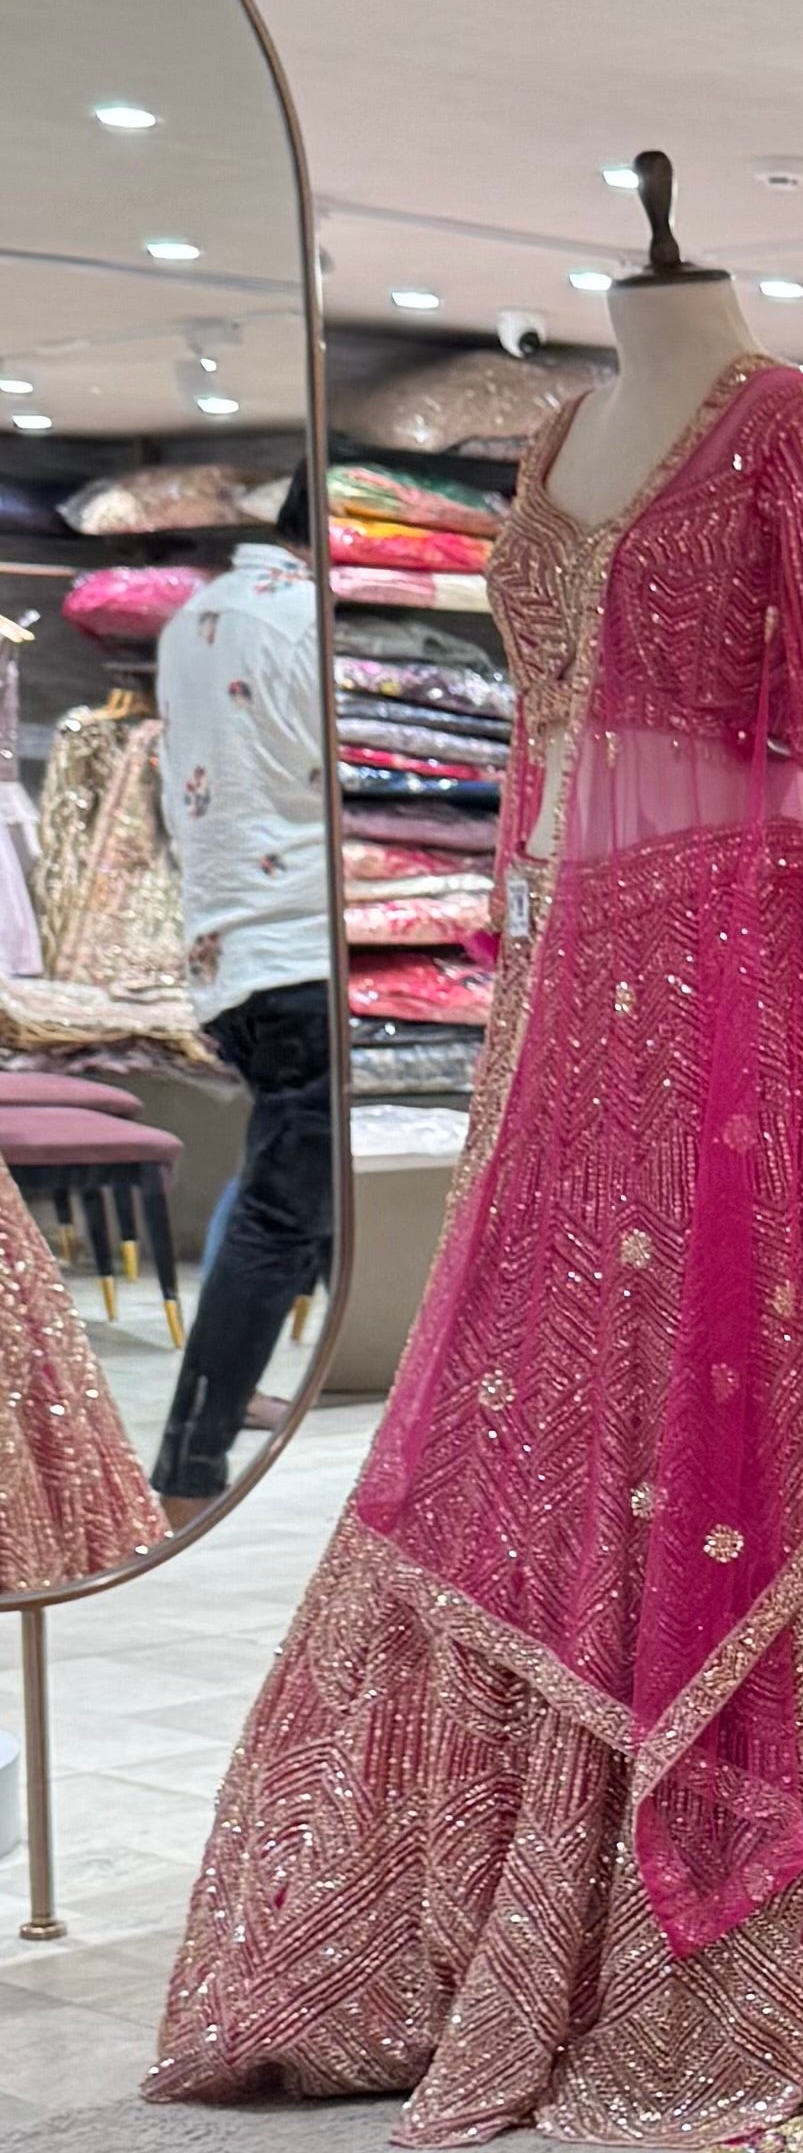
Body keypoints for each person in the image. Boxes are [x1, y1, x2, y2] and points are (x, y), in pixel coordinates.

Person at [150, 496, 335, 1505]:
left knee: (299, 1204)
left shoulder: (197, 612)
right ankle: (191, 1457)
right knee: (282, 1208)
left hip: (233, 944)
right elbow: (347, 767)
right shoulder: (305, 617)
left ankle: (213, 1433)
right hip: (303, 940)